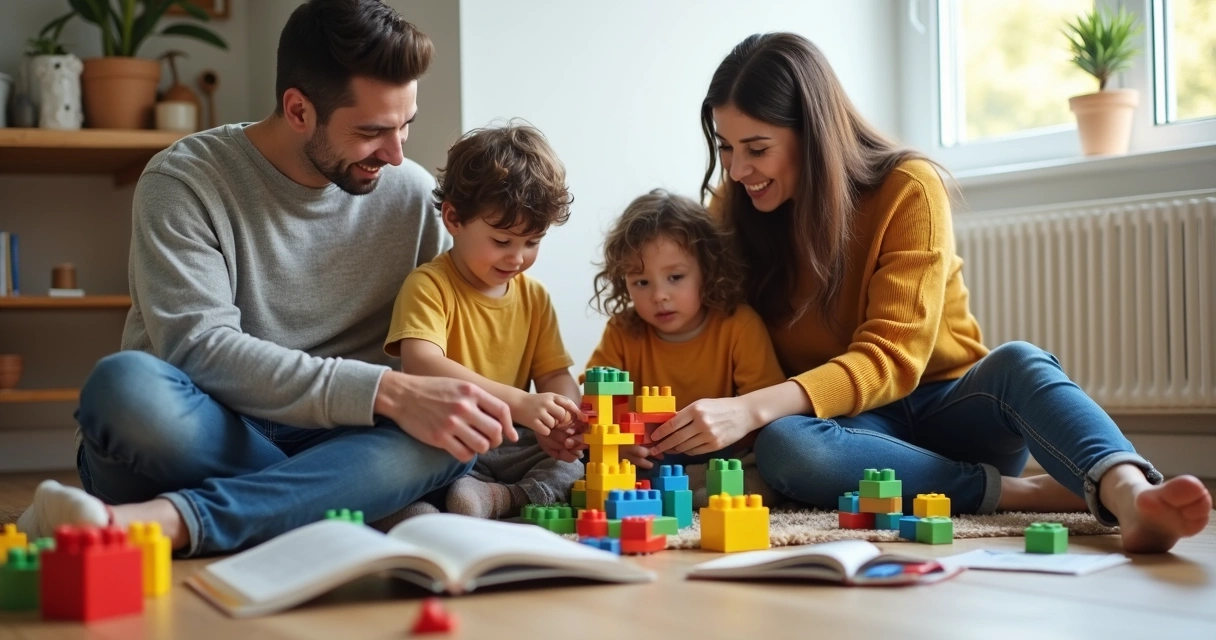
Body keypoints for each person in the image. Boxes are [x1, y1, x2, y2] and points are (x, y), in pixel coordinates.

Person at [648, 32, 1211, 553]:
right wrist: (653, 429)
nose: (737, 169)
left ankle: (1130, 494)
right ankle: (1019, 494)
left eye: (756, 148)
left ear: (813, 134)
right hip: (856, 432)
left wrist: (751, 408)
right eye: (726, 147)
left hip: (951, 407)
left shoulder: (907, 187)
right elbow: (708, 330)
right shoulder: (734, 209)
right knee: (786, 445)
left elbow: (892, 357)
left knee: (1020, 362)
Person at [18, 0, 513, 556]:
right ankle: (336, 501)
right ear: (298, 110)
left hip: (342, 439)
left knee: (453, 436)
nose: (396, 155)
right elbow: (200, 348)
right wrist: (386, 393)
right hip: (210, 429)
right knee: (124, 388)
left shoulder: (414, 198)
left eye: (406, 126)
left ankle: (168, 520)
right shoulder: (184, 180)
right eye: (372, 131)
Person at [384, 122, 585, 519]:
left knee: (573, 467)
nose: (517, 258)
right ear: (453, 218)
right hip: (445, 438)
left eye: (532, 242)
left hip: (511, 443)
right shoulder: (429, 285)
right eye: (502, 241)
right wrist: (520, 402)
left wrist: (564, 422)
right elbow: (422, 364)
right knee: (398, 459)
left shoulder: (534, 297)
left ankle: (499, 498)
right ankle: (417, 511)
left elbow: (554, 375)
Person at [585, 189, 785, 499]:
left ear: (707, 269)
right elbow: (593, 403)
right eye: (641, 282)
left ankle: (699, 487)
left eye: (675, 277)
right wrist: (619, 443)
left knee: (771, 457)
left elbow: (767, 406)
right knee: (584, 458)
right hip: (651, 457)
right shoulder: (622, 330)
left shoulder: (738, 324)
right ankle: (689, 490)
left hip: (723, 454)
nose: (659, 296)